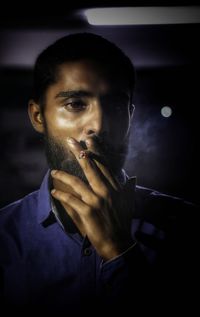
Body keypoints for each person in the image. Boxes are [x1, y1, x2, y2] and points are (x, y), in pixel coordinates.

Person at [0, 32, 197, 314]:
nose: (99, 125)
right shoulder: (4, 236)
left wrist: (119, 249)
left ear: (130, 115)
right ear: (37, 116)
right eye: (75, 104)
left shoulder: (187, 226)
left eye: (116, 105)